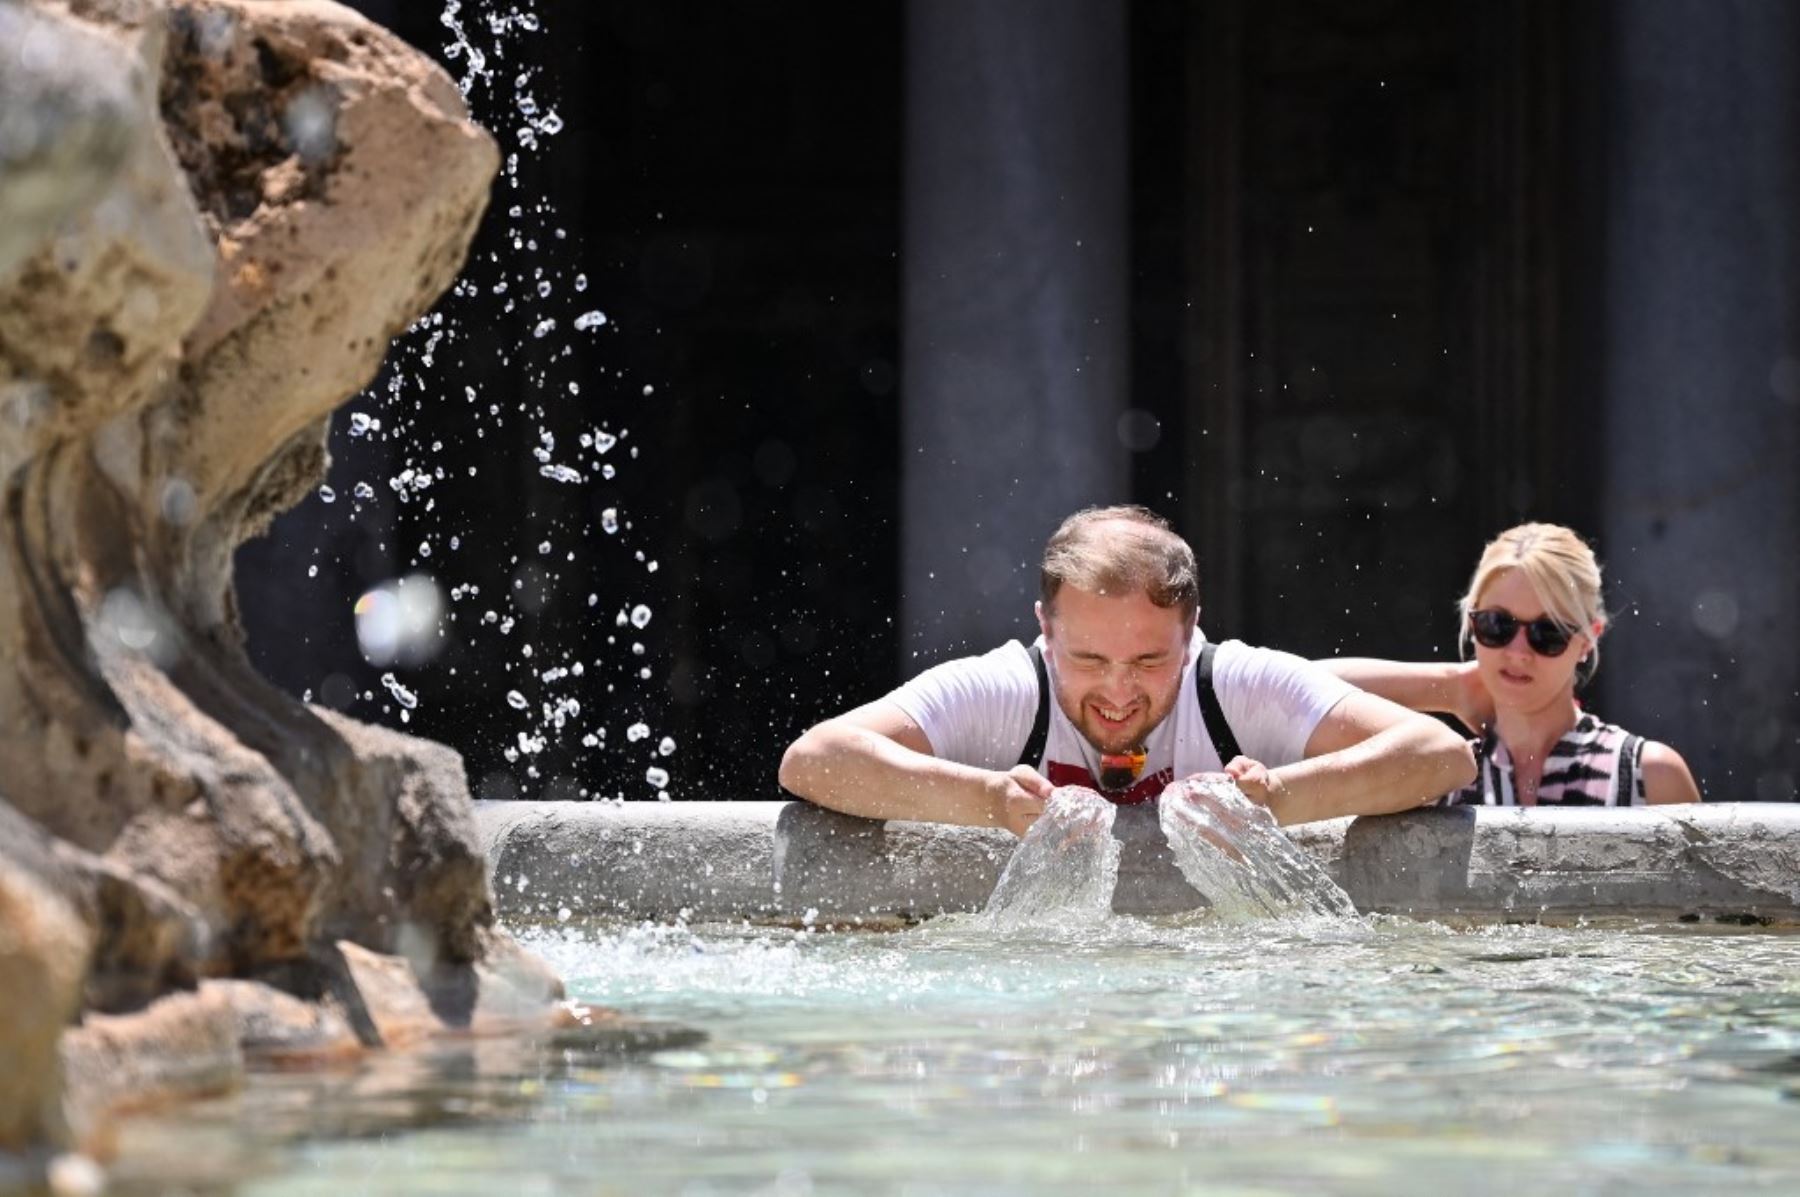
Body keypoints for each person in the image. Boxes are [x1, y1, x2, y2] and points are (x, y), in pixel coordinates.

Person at [780, 505, 1477, 836]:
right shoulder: (1007, 687)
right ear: (1044, 631)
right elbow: (813, 760)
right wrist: (990, 800)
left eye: (1149, 660)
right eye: (1088, 660)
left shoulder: (1232, 683)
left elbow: (1440, 755)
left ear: (1192, 630)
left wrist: (1278, 799)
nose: (1118, 691)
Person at [1322, 522, 1701, 807]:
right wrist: (1449, 685)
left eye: (1547, 633)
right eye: (1496, 625)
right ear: (1472, 624)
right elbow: (1282, 689)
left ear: (1587, 640)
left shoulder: (1649, 774)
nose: (1518, 651)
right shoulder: (1437, 775)